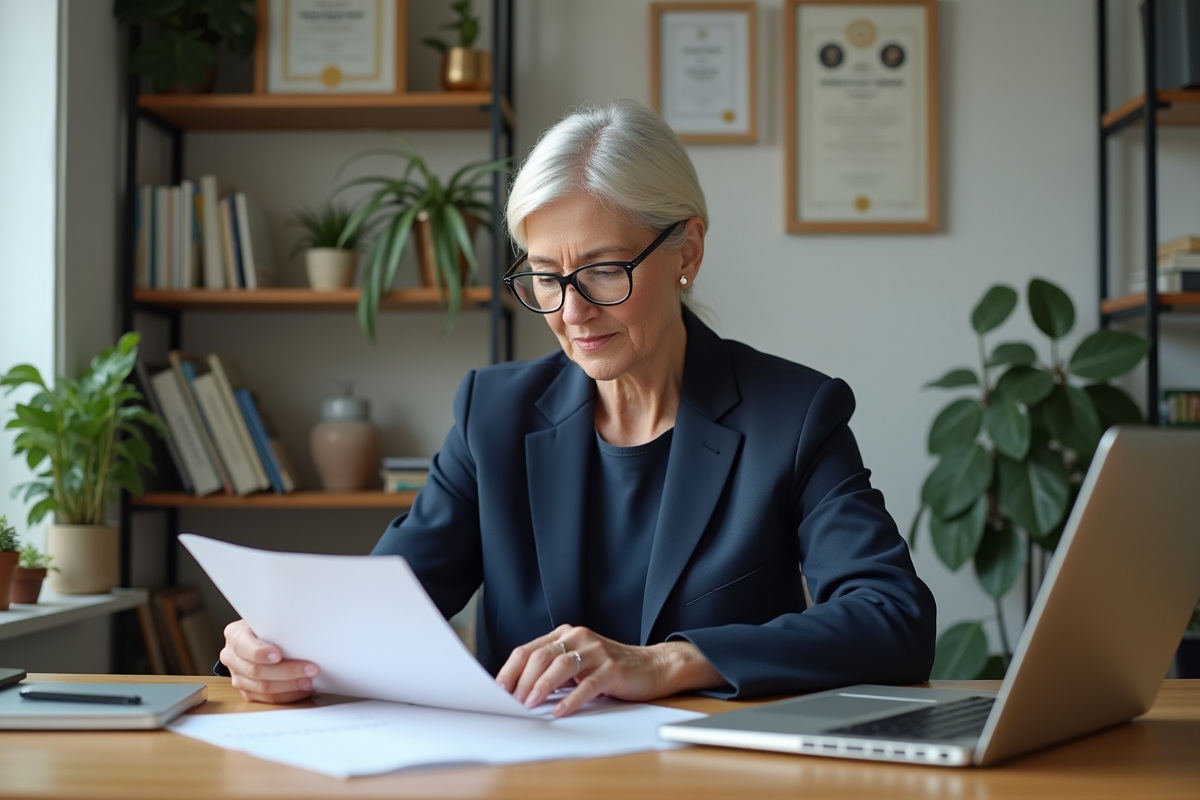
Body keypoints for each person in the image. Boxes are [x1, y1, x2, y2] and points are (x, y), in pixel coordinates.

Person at [219, 99, 937, 717]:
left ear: (687, 249)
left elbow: (894, 620)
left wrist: (669, 662)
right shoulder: (493, 414)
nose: (572, 312)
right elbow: (380, 612)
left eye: (602, 271)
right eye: (544, 278)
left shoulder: (792, 414)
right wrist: (273, 649)